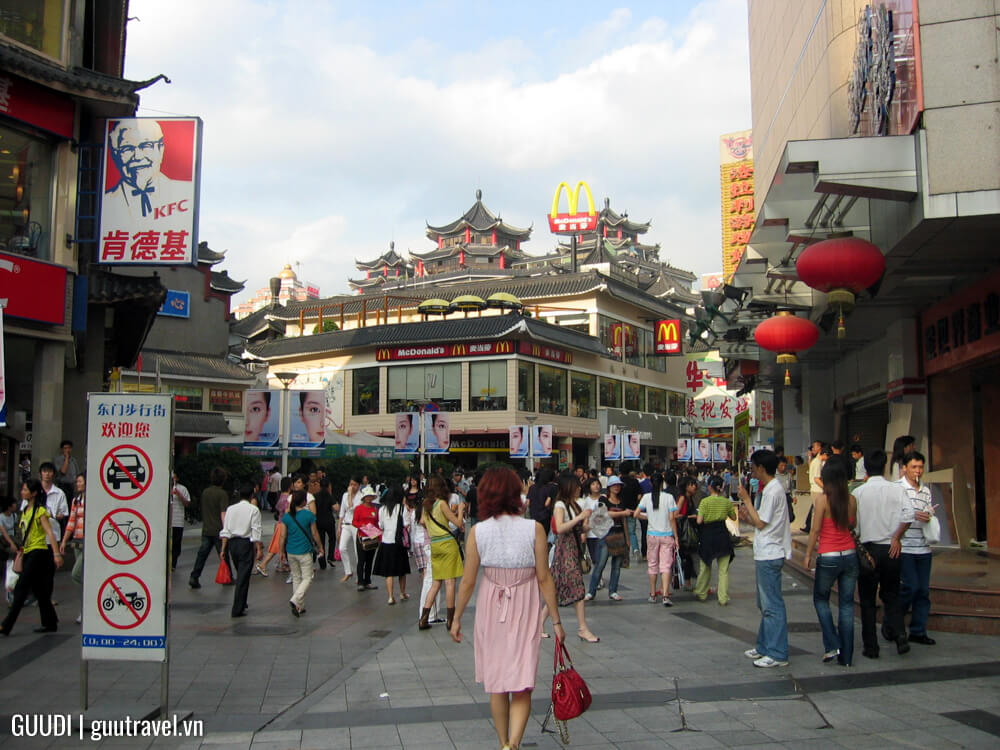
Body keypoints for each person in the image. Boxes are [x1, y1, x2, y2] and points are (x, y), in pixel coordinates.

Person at [449, 467, 562, 750]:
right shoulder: (533, 528)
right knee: (522, 681)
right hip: (525, 602)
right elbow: (544, 577)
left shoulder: (478, 531)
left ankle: (503, 743)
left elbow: (468, 581)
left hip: (491, 602)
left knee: (497, 680)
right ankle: (514, 744)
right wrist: (556, 621)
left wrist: (457, 618)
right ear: (516, 493)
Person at [853, 450, 912, 659]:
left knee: (868, 601)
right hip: (892, 548)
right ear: (885, 466)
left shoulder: (859, 493)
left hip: (869, 550)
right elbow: (909, 514)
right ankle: (900, 633)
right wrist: (897, 536)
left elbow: (854, 526)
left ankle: (871, 647)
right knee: (892, 595)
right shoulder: (896, 490)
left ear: (866, 468)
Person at [802, 459, 859, 666]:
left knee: (820, 599)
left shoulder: (823, 501)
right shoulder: (852, 500)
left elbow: (815, 530)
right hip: (850, 555)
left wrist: (808, 554)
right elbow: (853, 525)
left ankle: (833, 643)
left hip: (829, 556)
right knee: (846, 605)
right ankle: (847, 655)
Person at [738, 450, 791, 668]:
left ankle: (777, 653)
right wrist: (747, 517)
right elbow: (762, 523)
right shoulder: (771, 489)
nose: (752, 471)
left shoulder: (773, 490)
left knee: (772, 604)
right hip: (766, 550)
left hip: (771, 553)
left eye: (753, 467)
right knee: (765, 603)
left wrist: (747, 500)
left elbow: (761, 523)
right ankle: (764, 646)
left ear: (761, 468)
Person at [1, 479, 64, 635]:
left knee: (21, 587)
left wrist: (56, 554)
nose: (22, 492)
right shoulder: (25, 511)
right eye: (22, 489)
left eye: (25, 490)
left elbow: (49, 532)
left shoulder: (39, 511)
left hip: (39, 552)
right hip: (28, 552)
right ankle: (50, 622)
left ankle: (6, 625)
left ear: (34, 493)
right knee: (39, 590)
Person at [540, 475, 598, 642]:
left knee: (556, 589)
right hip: (565, 550)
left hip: (573, 549)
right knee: (578, 586)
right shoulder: (560, 505)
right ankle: (582, 628)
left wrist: (592, 522)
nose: (580, 488)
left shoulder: (575, 504)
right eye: (577, 486)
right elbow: (559, 527)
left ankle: (539, 624)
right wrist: (579, 518)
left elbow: (580, 527)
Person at [103, 119, 190, 222]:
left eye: (146, 146)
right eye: (127, 149)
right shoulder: (105, 202)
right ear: (115, 155)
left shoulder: (184, 194)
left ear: (160, 150)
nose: (138, 156)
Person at [897, 451, 937, 647]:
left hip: (924, 547)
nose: (917, 471)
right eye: (913, 467)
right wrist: (913, 515)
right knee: (910, 587)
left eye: (920, 467)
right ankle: (894, 621)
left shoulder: (926, 490)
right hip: (905, 547)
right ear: (904, 468)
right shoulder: (897, 489)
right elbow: (894, 515)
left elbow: (928, 511)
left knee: (923, 590)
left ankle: (918, 630)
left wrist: (928, 515)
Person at [419, 475, 465, 630]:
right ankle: (451, 620)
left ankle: (423, 618)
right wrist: (460, 510)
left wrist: (433, 531)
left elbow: (422, 522)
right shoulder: (442, 504)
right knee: (450, 582)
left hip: (434, 545)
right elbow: (458, 523)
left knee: (436, 582)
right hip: (447, 544)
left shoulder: (426, 505)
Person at [219, 482, 263, 618]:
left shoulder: (231, 509)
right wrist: (259, 548)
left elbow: (226, 529)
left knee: (241, 574)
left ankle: (242, 603)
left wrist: (223, 549)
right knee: (243, 577)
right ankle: (237, 608)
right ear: (251, 495)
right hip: (245, 544)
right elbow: (256, 529)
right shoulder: (253, 510)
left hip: (232, 544)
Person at [635, 472, 679, 606]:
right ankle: (665, 595)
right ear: (662, 483)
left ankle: (653, 594)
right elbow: (672, 518)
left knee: (652, 565)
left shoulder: (646, 497)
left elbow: (636, 514)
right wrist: (676, 537)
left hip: (652, 535)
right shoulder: (669, 497)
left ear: (651, 483)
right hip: (666, 535)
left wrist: (649, 517)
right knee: (666, 566)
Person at [694, 475, 737, 605]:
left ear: (710, 487)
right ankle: (723, 598)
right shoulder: (726, 501)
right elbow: (733, 517)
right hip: (722, 535)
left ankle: (701, 593)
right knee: (723, 570)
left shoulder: (704, 502)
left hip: (708, 535)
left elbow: (699, 520)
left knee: (705, 565)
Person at [279, 490, 323, 617]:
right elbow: (315, 533)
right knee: (308, 577)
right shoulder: (309, 515)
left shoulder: (287, 517)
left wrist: (281, 551)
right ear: (304, 502)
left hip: (290, 551)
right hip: (304, 551)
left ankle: (300, 606)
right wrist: (320, 547)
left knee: (296, 577)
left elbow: (282, 536)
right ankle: (295, 599)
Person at [586, 475, 629, 601]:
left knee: (616, 566)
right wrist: (623, 513)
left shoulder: (622, 501)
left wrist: (627, 539)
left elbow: (624, 521)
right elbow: (605, 513)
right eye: (614, 485)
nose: (617, 487)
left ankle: (613, 591)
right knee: (600, 564)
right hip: (606, 535)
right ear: (609, 487)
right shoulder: (603, 499)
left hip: (619, 534)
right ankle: (591, 591)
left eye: (618, 485)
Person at [189, 467, 229, 589]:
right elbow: (223, 513)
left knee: (202, 554)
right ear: (223, 480)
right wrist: (226, 529)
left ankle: (194, 576)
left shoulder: (205, 492)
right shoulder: (222, 494)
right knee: (223, 554)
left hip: (206, 529)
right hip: (218, 530)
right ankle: (227, 577)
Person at [374, 485, 411, 604]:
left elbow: (381, 526)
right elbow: (406, 523)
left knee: (388, 572)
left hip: (386, 542)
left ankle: (390, 596)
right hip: (399, 543)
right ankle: (402, 593)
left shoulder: (382, 510)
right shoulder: (402, 508)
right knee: (402, 570)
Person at [59, 473, 87, 624]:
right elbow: (71, 521)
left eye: (80, 481)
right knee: (81, 576)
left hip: (88, 542)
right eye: (77, 481)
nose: (78, 484)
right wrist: (64, 541)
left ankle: (87, 606)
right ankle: (84, 609)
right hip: (77, 541)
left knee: (76, 574)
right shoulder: (76, 500)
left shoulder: (92, 501)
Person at [257, 477, 291, 576]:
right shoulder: (288, 498)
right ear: (290, 486)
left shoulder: (280, 497)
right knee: (276, 547)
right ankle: (263, 565)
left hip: (279, 524)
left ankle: (282, 564)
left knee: (280, 546)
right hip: (284, 525)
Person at [352, 485, 381, 591]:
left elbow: (377, 523)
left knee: (369, 560)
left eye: (370, 496)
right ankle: (360, 581)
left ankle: (367, 581)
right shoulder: (359, 509)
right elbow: (354, 522)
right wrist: (364, 527)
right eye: (367, 496)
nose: (369, 498)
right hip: (362, 537)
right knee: (361, 560)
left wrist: (379, 537)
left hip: (372, 536)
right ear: (364, 497)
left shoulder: (374, 509)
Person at [674, 477, 700, 589]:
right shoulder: (683, 498)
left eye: (695, 484)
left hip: (688, 531)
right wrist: (691, 516)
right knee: (686, 556)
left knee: (688, 556)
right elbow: (675, 515)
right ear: (686, 486)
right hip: (683, 532)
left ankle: (686, 580)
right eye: (692, 484)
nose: (694, 486)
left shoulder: (690, 498)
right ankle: (682, 580)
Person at [34, 462, 69, 543]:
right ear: (40, 473)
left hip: (53, 534)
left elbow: (64, 513)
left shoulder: (59, 493)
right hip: (35, 535)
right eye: (44, 471)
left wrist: (56, 515)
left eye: (50, 471)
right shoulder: (33, 491)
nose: (47, 474)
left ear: (53, 474)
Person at [338, 476, 362, 583]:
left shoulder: (361, 496)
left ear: (359, 485)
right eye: (350, 484)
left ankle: (359, 574)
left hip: (356, 525)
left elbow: (351, 507)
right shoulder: (344, 495)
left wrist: (350, 495)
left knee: (357, 551)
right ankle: (348, 571)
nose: (352, 487)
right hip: (346, 524)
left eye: (354, 484)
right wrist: (339, 527)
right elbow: (342, 511)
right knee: (342, 548)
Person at [313, 477, 337, 569]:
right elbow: (336, 508)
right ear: (328, 486)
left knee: (320, 541)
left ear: (319, 485)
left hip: (318, 521)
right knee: (332, 539)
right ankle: (330, 557)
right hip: (329, 521)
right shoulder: (329, 495)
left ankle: (322, 563)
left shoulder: (315, 496)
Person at [169, 472, 191, 571]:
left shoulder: (182, 488)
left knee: (176, 543)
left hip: (177, 521)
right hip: (168, 522)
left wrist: (179, 494)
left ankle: (173, 563)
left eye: (174, 477)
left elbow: (187, 503)